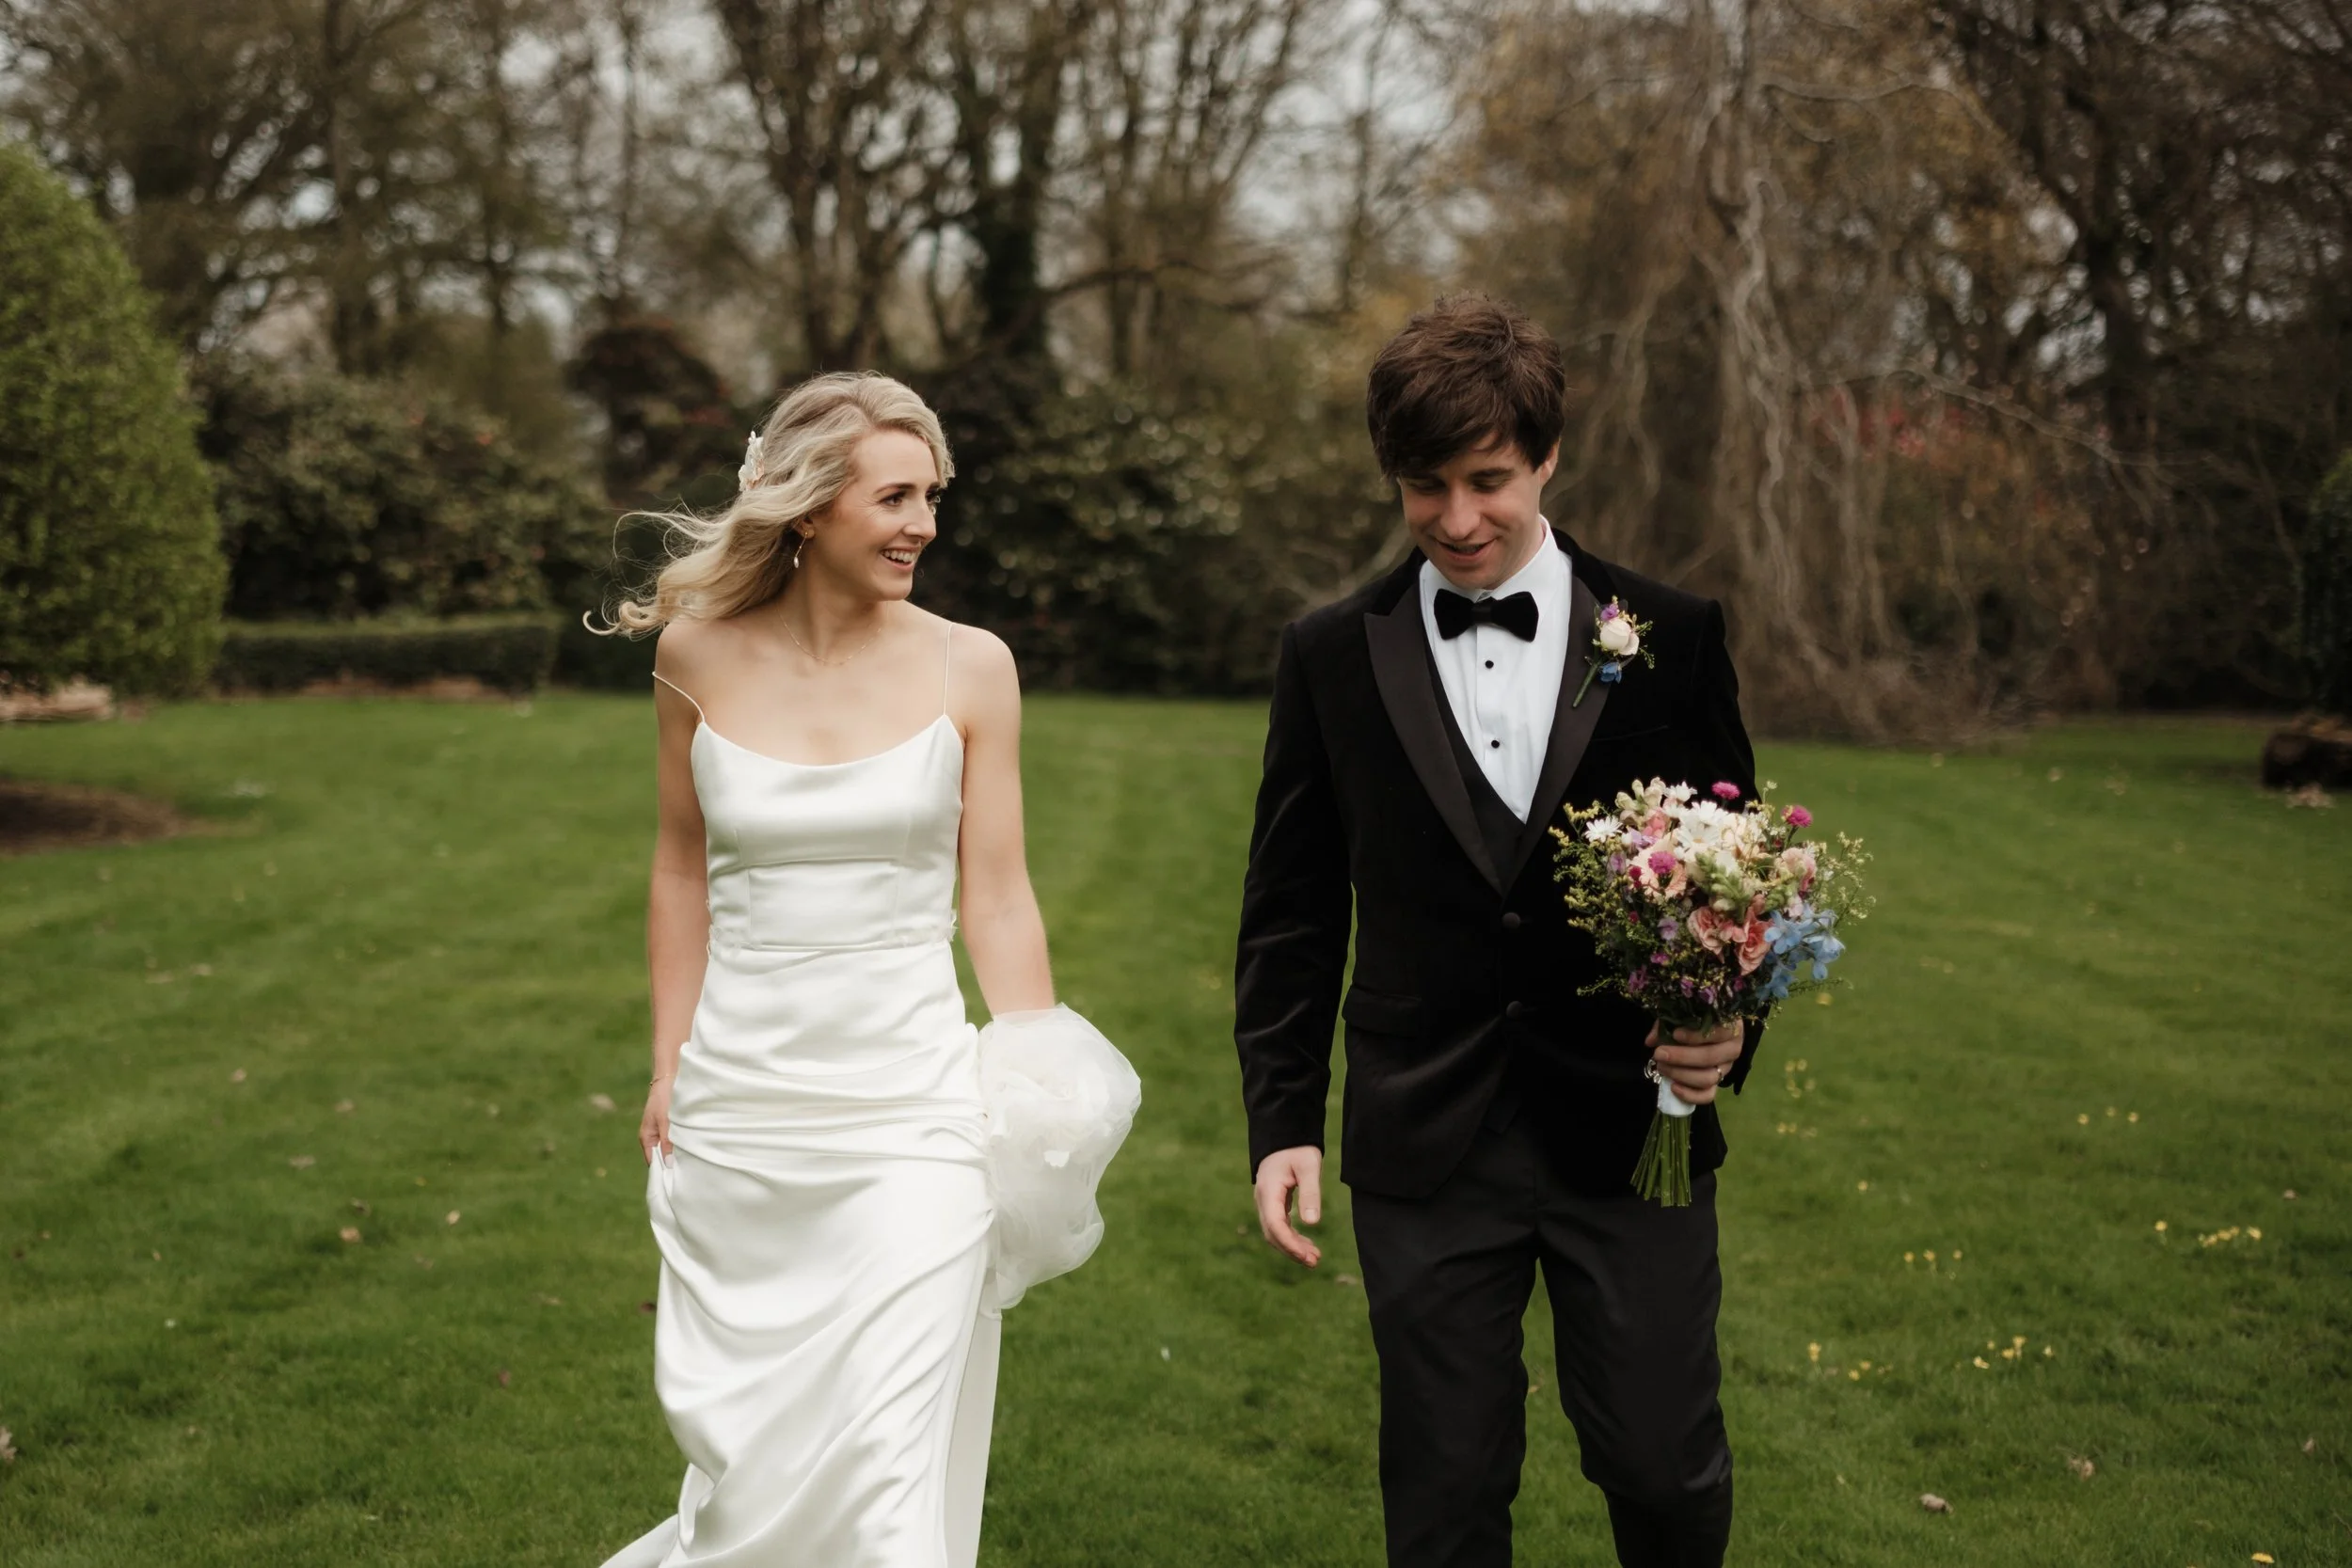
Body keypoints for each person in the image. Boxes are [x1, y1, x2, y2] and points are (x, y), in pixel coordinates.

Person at [1233, 294, 1762, 1568]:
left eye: (1490, 480)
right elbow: (1293, 908)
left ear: (1549, 458)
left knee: (1661, 1462)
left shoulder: (1672, 636)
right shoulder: (1331, 655)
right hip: (1425, 1132)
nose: (1459, 520)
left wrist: (1728, 1026)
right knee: (1446, 1487)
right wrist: (1284, 1118)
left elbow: (1740, 869)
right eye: (1425, 487)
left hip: (1629, 1120)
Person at [596, 372, 1136, 1568]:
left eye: (932, 497)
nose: (923, 526)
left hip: (912, 1113)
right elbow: (680, 869)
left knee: (890, 1478)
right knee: (759, 1480)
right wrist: (665, 1063)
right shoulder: (694, 657)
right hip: (742, 1108)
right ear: (805, 507)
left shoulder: (972, 666)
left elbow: (994, 891)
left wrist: (1041, 1067)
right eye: (895, 497)